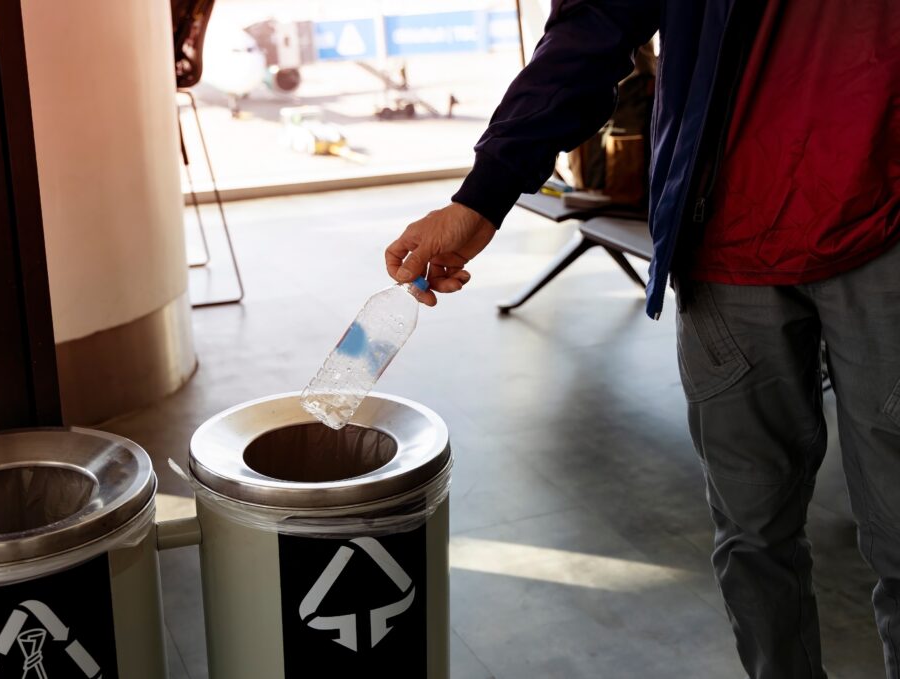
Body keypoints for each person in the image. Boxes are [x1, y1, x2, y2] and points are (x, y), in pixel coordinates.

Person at [384, 1, 900, 677]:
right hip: (729, 243)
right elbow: (593, 25)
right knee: (754, 540)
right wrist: (483, 196)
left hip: (885, 235)